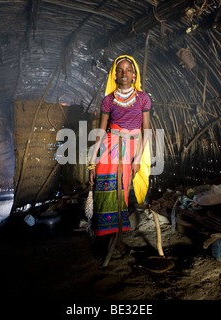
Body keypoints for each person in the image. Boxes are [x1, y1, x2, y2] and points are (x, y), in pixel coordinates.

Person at [88, 55, 151, 263]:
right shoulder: (108, 100)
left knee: (122, 194)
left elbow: (147, 130)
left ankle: (118, 239)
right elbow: (100, 130)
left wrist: (137, 159)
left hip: (130, 149)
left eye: (128, 70)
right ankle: (105, 238)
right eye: (120, 70)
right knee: (103, 191)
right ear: (115, 75)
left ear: (134, 75)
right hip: (108, 148)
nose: (124, 74)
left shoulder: (143, 98)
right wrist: (91, 162)